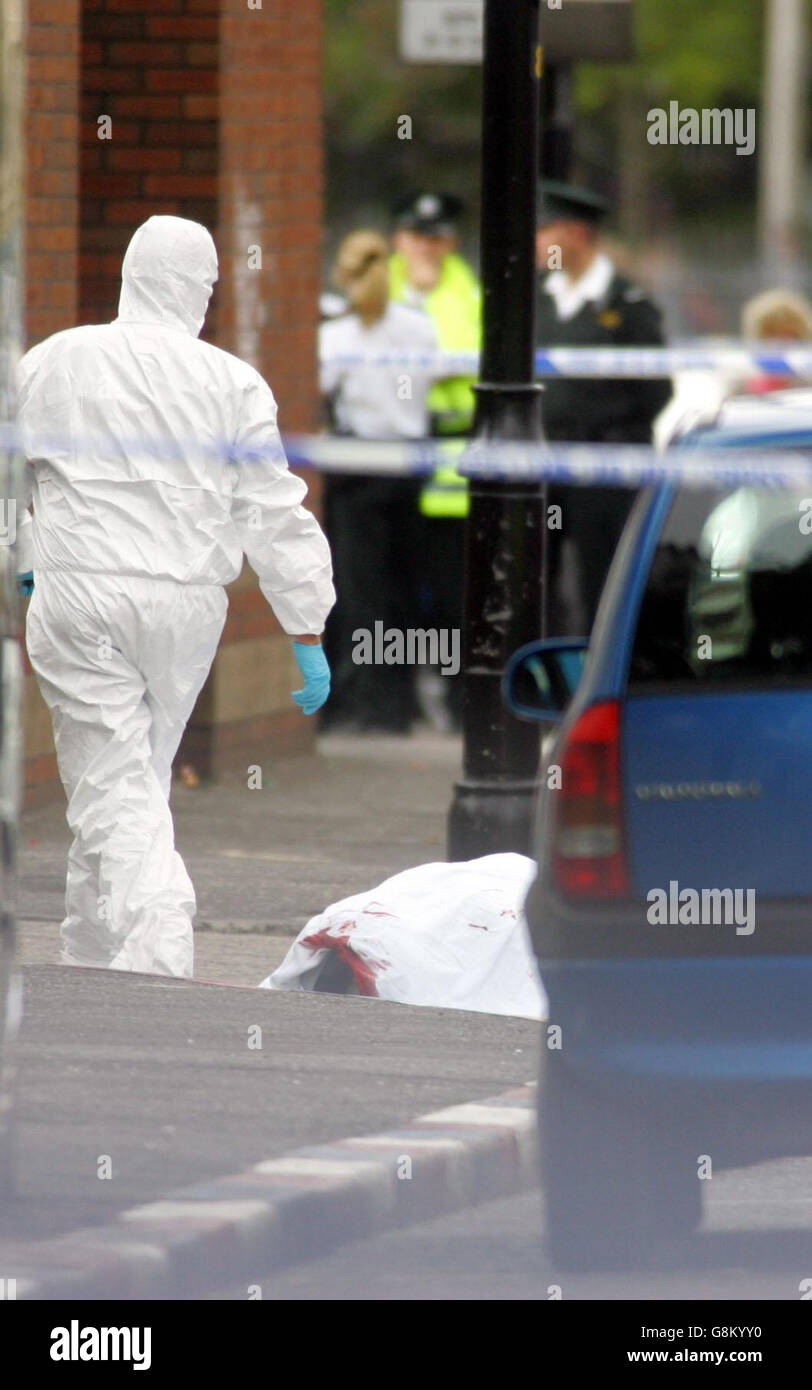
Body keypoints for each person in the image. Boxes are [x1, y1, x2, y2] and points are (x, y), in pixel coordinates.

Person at [17, 215, 334, 978]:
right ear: (199, 290)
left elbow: (11, 472)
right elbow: (272, 509)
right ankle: (94, 950)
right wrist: (306, 625)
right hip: (186, 608)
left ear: (130, 276)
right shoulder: (232, 382)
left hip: (81, 594)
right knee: (130, 774)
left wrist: (23, 552)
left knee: (112, 777)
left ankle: (159, 933)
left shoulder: (56, 359)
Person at [535, 181, 672, 636]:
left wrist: (609, 436)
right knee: (534, 584)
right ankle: (541, 687)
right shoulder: (536, 299)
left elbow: (655, 391)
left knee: (605, 585)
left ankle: (599, 687)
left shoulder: (628, 305)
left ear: (576, 234)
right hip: (542, 465)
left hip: (606, 469)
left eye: (545, 231)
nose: (536, 243)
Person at [320, 229, 438, 732]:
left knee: (360, 594)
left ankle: (367, 707)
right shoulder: (419, 328)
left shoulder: (337, 336)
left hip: (359, 469)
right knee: (403, 591)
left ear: (345, 277)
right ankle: (400, 704)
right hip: (409, 467)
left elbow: (321, 392)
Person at [389, 192, 482, 726]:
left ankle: (457, 701)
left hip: (452, 459)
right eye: (415, 235)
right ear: (399, 239)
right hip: (394, 454)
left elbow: (466, 359)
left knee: (454, 594)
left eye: (436, 237)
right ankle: (396, 704)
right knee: (390, 589)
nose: (426, 247)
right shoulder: (382, 285)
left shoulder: (467, 290)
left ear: (451, 242)